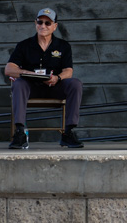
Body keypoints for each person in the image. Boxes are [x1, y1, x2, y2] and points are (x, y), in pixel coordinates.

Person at [5, 8, 84, 149]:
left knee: (75, 84)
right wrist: (29, 73)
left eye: (48, 23)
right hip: (31, 88)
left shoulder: (63, 46)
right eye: (40, 22)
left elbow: (68, 71)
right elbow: (9, 69)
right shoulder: (24, 45)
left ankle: (69, 132)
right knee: (18, 84)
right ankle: (20, 133)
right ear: (35, 23)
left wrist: (57, 78)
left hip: (54, 87)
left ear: (55, 26)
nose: (43, 26)